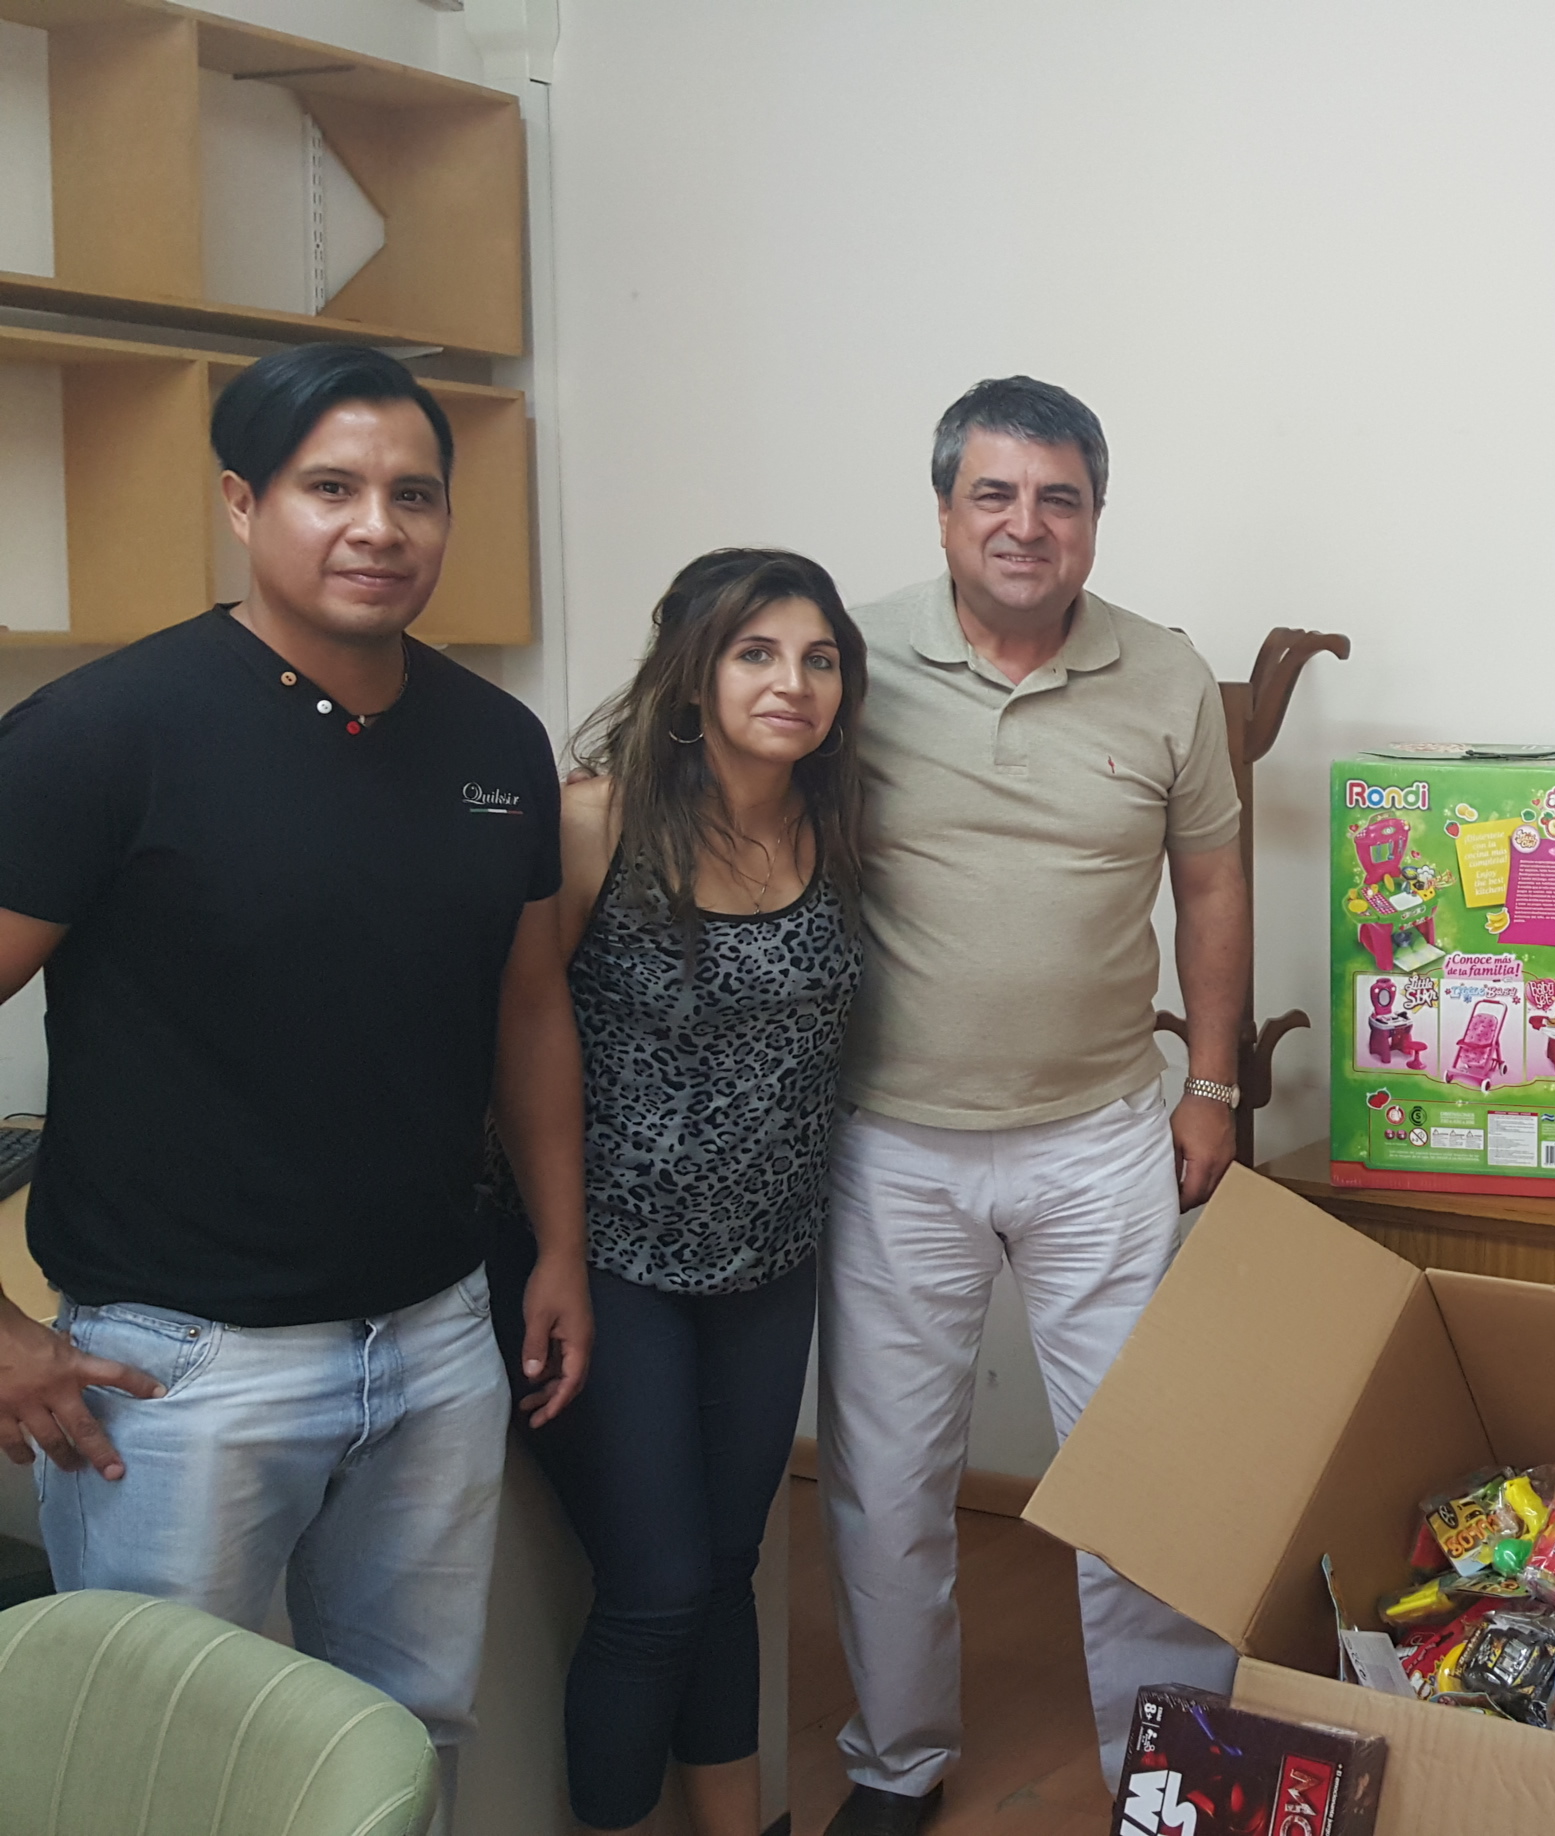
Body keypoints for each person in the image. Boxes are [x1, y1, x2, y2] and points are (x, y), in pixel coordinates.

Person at [0, 342, 592, 1800]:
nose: (377, 527)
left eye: (413, 494)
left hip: (436, 1338)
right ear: (240, 503)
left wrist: (562, 1246)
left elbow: (526, 1012)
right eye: (330, 487)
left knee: (401, 1752)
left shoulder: (496, 747)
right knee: (156, 1779)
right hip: (177, 1368)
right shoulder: (100, 738)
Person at [819, 376, 1248, 1835]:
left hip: (1101, 1137)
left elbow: (1213, 882)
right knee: (887, 1482)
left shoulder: (1166, 672)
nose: (1026, 524)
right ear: (944, 510)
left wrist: (1214, 1085)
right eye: (994, 494)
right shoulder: (850, 660)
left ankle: (1169, 1766)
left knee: (1141, 1470)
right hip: (892, 1141)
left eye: (1058, 498)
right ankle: (896, 1759)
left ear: (1094, 520)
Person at [485, 549, 868, 1833]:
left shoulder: (840, 824)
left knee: (726, 1571)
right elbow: (515, 1029)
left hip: (768, 1262)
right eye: (758, 653)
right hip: (606, 1264)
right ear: (693, 672)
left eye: (819, 658)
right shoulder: (598, 816)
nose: (792, 682)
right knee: (652, 1588)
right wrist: (554, 1247)